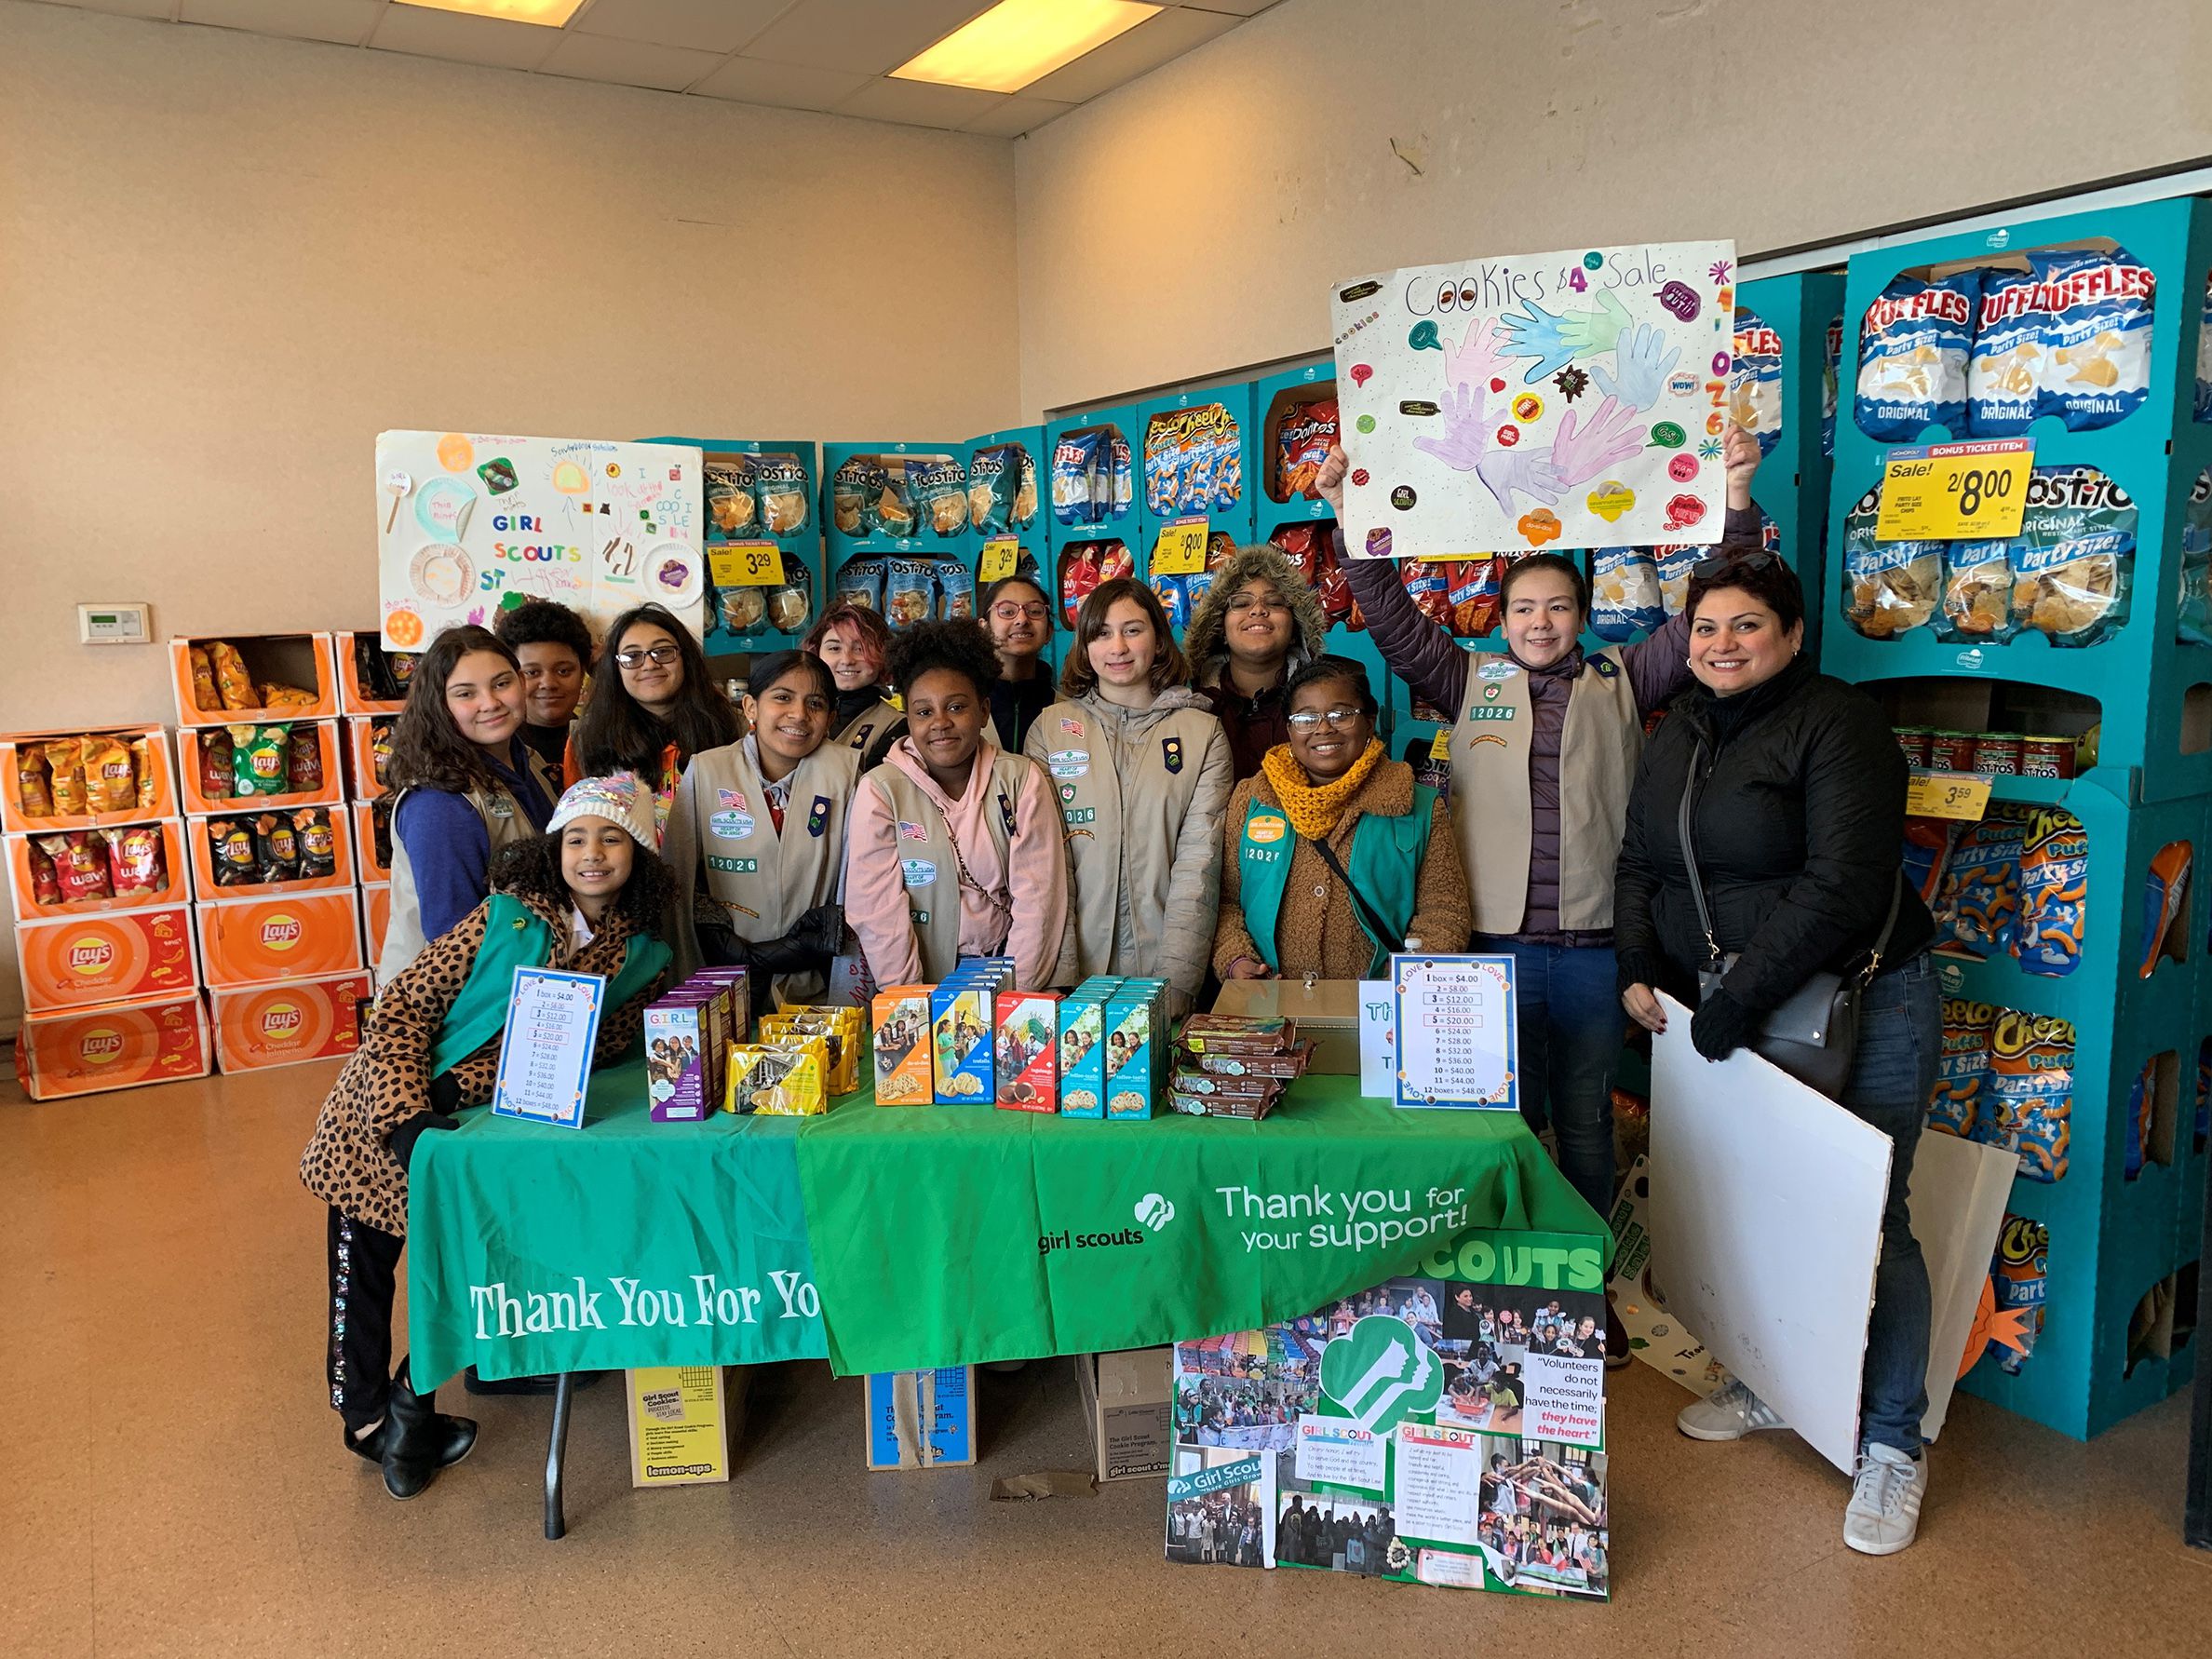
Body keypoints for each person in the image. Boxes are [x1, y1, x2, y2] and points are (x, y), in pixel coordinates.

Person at [1318, 430, 1762, 1238]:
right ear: (1504, 618)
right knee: (1504, 1126)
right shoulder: (1470, 680)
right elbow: (1390, 621)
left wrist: (1735, 499)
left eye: (1559, 606)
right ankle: (1517, 1288)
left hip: (1597, 953)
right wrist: (1349, 519)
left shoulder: (1625, 677)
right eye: (1524, 607)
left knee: (1588, 1124)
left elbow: (1710, 604)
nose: (1541, 621)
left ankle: (1582, 1282)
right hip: (1493, 952)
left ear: (1584, 617)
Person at [1613, 548, 1937, 1557]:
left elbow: (1843, 884)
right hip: (1730, 1012)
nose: (1722, 645)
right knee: (1766, 1205)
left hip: (1859, 1003)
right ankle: (1779, 1384)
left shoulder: (1839, 724)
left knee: (1871, 1219)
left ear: (1791, 635)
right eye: (1705, 629)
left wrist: (1734, 1004)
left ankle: (1890, 1446)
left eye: (1746, 625)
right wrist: (1637, 967)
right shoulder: (1677, 733)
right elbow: (1637, 862)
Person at [301, 774, 673, 1500]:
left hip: (490, 1140)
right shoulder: (502, 919)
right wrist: (407, 1115)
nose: (592, 854)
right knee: (363, 1278)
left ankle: (411, 1405)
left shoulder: (639, 957)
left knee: (473, 1275)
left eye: (611, 838)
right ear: (552, 849)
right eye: (575, 838)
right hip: (381, 1124)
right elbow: (401, 1011)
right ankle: (370, 1423)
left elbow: (606, 1049)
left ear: (640, 853)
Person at [1027, 578, 1231, 1009]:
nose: (1117, 646)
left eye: (1132, 630)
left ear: (1158, 640)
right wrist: (1057, 974)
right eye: (1101, 633)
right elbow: (1044, 866)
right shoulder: (1050, 728)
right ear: (1085, 646)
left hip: (1161, 972)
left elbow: (1200, 864)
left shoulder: (1201, 733)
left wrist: (1176, 983)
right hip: (1072, 978)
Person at [843, 618, 1069, 991]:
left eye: (956, 707)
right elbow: (877, 909)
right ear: (908, 718)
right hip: (920, 981)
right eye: (924, 711)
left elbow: (1039, 901)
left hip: (1007, 973)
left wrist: (1015, 994)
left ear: (983, 712)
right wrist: (910, 999)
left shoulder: (1020, 780)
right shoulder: (881, 790)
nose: (940, 723)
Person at [1213, 656, 1470, 980]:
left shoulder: (1417, 805)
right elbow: (1224, 902)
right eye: (1305, 718)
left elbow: (1444, 907)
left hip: (1378, 1009)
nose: (1323, 728)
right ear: (1289, 729)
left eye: (1341, 715)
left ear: (1369, 721)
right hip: (1272, 1005)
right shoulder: (1253, 800)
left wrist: (1412, 973)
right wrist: (1236, 961)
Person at [664, 650, 855, 1014]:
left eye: (814, 703)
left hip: (814, 987)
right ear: (750, 707)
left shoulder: (846, 776)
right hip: (724, 983)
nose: (798, 714)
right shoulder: (708, 772)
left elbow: (857, 885)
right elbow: (679, 880)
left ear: (830, 718)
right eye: (782, 697)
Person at [380, 625, 560, 984]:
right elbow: (453, 944)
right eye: (466, 693)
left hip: (524, 977)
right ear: (440, 706)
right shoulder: (440, 805)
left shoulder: (529, 761)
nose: (490, 702)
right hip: (455, 1009)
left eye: (501, 683)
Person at [567, 603, 742, 820]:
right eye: (632, 656)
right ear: (615, 669)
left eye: (662, 651)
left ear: (685, 658)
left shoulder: (734, 727)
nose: (649, 664)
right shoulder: (586, 739)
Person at [1180, 544, 1329, 780]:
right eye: (1240, 603)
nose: (1258, 610)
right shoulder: (1193, 704)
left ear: (1295, 629)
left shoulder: (1325, 702)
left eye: (1275, 602)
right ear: (1221, 629)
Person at [492, 597, 595, 773]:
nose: (548, 684)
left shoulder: (601, 743)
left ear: (582, 672)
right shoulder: (498, 749)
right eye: (532, 673)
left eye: (563, 671)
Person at [804, 602, 905, 759]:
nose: (847, 660)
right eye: (834, 648)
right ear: (816, 653)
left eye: (860, 649)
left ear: (883, 655)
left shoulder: (895, 726)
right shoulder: (797, 709)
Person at [982, 573, 1056, 753]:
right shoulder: (965, 707)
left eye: (1035, 611)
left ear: (1049, 632)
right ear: (983, 628)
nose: (1022, 620)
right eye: (1007, 611)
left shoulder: (1067, 711)